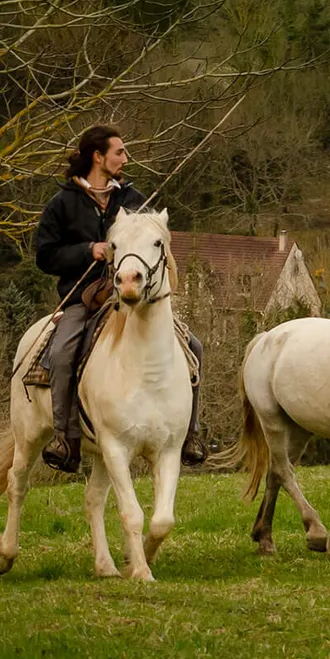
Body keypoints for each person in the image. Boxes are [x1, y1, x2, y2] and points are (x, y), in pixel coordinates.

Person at [32, 125, 206, 474]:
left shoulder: (131, 197)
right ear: (98, 157)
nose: (125, 159)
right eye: (119, 153)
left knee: (194, 346)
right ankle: (66, 439)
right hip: (83, 299)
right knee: (64, 353)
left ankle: (191, 433)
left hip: (133, 299)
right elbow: (44, 255)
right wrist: (88, 250)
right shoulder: (63, 203)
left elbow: (154, 239)